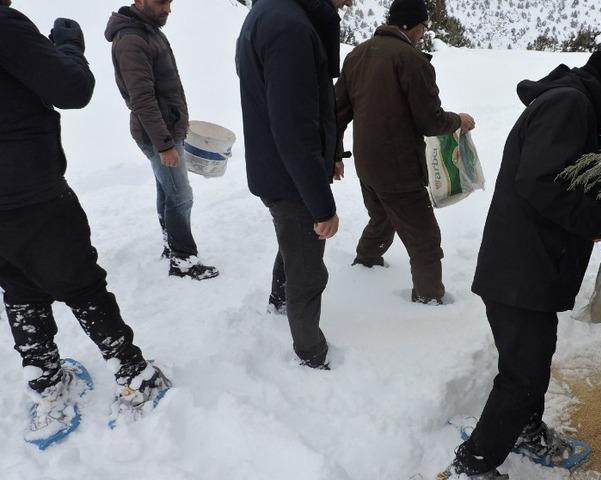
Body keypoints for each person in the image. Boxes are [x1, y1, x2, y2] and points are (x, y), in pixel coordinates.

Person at [438, 45, 601, 479]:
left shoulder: (574, 104)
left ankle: (524, 431)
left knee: (532, 360)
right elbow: (541, 182)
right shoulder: (570, 105)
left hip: (533, 265)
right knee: (523, 375)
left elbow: (579, 182)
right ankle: (474, 464)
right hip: (521, 268)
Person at [0, 1, 171, 445]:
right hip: (33, 193)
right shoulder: (5, 25)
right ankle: (134, 374)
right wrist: (68, 46)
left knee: (19, 290)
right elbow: (72, 89)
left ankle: (48, 385)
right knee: (82, 285)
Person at [335, 0, 475, 305]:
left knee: (382, 216)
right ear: (412, 25)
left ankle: (366, 262)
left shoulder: (357, 55)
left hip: (366, 163)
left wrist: (335, 154)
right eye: (423, 26)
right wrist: (459, 121)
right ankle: (429, 299)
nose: (424, 33)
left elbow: (337, 113)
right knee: (425, 240)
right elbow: (430, 121)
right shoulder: (411, 60)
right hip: (398, 169)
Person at [236, 0, 352, 370]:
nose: (351, 3)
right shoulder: (290, 28)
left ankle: (280, 300)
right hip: (290, 176)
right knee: (308, 269)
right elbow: (294, 129)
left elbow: (309, 104)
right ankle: (311, 352)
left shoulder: (275, 13)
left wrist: (330, 153)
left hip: (279, 168)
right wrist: (322, 206)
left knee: (293, 240)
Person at [106, 0, 219, 280]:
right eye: (161, 2)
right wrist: (165, 145)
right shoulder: (132, 40)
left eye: (170, 1)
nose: (168, 8)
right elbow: (142, 100)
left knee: (167, 191)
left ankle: (173, 247)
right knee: (181, 197)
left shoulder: (148, 30)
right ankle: (183, 261)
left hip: (164, 129)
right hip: (157, 134)